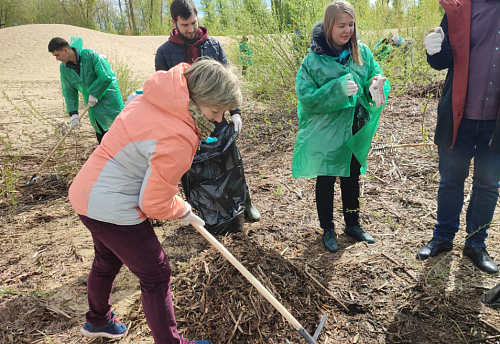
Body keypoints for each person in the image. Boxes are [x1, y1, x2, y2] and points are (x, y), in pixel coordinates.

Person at [68, 59, 241, 343]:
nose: (219, 119)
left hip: (86, 192)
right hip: (113, 205)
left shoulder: (150, 96)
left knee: (106, 259)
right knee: (157, 274)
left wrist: (172, 199)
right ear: (198, 100)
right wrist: (183, 209)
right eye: (215, 111)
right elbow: (153, 203)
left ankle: (97, 320)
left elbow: (147, 166)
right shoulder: (180, 136)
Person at [292, 1, 390, 253]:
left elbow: (374, 74)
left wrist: (375, 84)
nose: (347, 30)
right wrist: (336, 90)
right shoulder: (313, 60)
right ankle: (328, 228)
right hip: (326, 133)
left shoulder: (362, 52)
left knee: (351, 177)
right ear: (328, 26)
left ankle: (353, 223)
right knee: (326, 179)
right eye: (341, 25)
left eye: (351, 24)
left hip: (354, 129)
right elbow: (305, 94)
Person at [155, 0, 261, 222]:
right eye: (185, 25)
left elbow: (227, 82)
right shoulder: (164, 53)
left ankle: (244, 202)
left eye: (194, 22)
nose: (191, 29)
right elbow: (163, 90)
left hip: (218, 114)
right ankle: (205, 211)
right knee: (192, 167)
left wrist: (236, 112)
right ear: (174, 23)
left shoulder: (213, 45)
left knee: (231, 158)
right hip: (187, 123)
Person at [417, 0, 500, 275]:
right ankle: (443, 237)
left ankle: (476, 243)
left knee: (488, 185)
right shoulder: (460, 8)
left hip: (495, 122)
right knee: (451, 179)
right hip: (459, 114)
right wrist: (433, 48)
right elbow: (442, 60)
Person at [48, 37, 124, 144]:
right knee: (103, 140)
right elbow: (69, 91)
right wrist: (74, 114)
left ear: (65, 50)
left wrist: (94, 93)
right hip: (93, 107)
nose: (57, 59)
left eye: (57, 55)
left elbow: (106, 76)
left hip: (110, 103)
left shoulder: (91, 56)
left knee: (120, 136)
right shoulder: (64, 69)